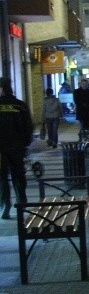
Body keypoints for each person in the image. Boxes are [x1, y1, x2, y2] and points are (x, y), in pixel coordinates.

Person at [0, 77, 33, 219]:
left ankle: (5, 203)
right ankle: (21, 201)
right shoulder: (20, 105)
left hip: (1, 149)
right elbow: (29, 127)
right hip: (17, 147)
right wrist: (25, 144)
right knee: (18, 175)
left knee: (2, 177)